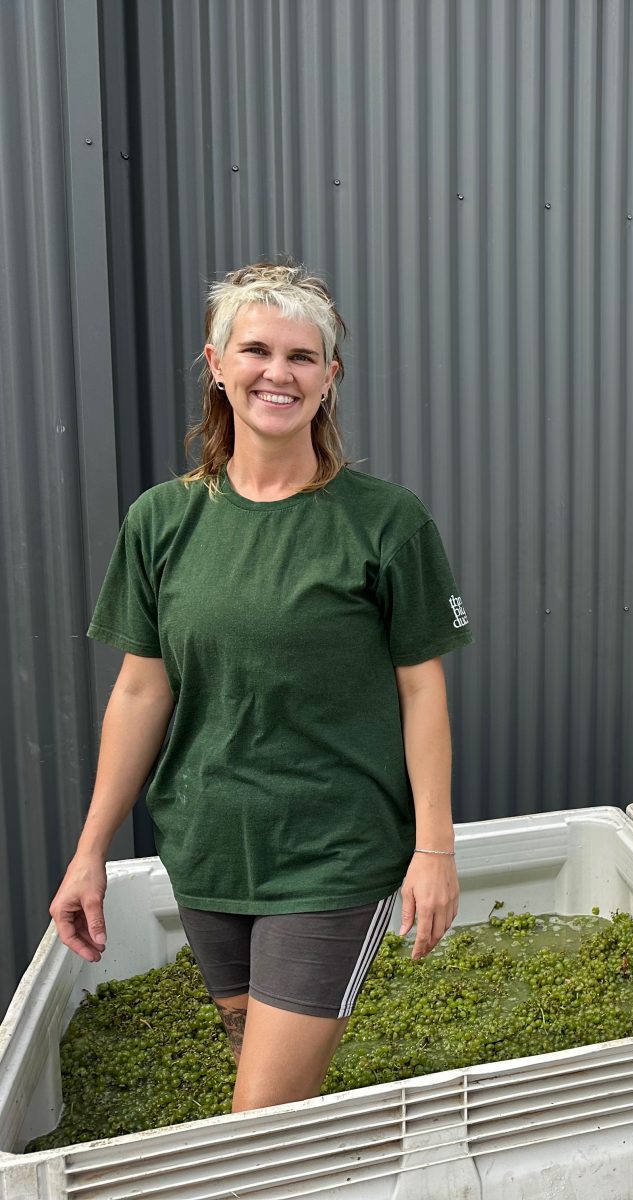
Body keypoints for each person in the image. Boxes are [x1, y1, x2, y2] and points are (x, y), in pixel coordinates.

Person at [48, 261, 473, 1112]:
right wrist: (90, 850)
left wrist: (435, 849)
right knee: (257, 1064)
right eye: (256, 349)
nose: (277, 372)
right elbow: (141, 691)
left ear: (329, 379)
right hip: (209, 848)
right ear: (216, 363)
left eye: (302, 357)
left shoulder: (386, 521)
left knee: (258, 1120)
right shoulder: (162, 520)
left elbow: (422, 693)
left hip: (332, 852)